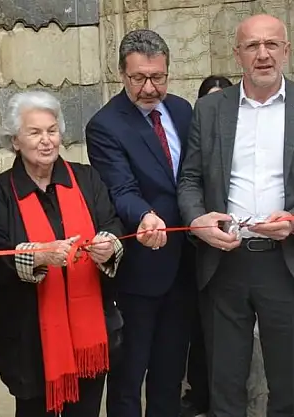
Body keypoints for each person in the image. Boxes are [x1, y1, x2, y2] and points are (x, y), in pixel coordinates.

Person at [178, 14, 294, 417]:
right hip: (224, 265)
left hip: (290, 266)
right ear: (238, 55)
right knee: (224, 391)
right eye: (252, 46)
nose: (263, 54)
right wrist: (197, 220)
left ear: (287, 51)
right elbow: (189, 179)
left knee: (287, 393)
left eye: (271, 44)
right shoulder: (210, 109)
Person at [0, 90, 125, 417]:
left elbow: (112, 224)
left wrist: (108, 246)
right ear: (15, 141)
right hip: (28, 334)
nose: (46, 141)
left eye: (52, 130)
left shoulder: (86, 178)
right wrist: (37, 257)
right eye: (35, 132)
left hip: (90, 330)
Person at [85, 29, 196, 417]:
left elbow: (194, 177)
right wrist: (146, 215)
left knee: (170, 373)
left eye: (158, 77)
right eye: (138, 78)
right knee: (129, 376)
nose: (149, 88)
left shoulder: (182, 110)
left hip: (186, 264)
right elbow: (120, 188)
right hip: (140, 269)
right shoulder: (105, 124)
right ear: (121, 74)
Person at [180, 74, 233, 417]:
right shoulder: (194, 138)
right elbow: (189, 182)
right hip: (196, 248)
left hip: (235, 253)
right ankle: (198, 393)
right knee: (199, 330)